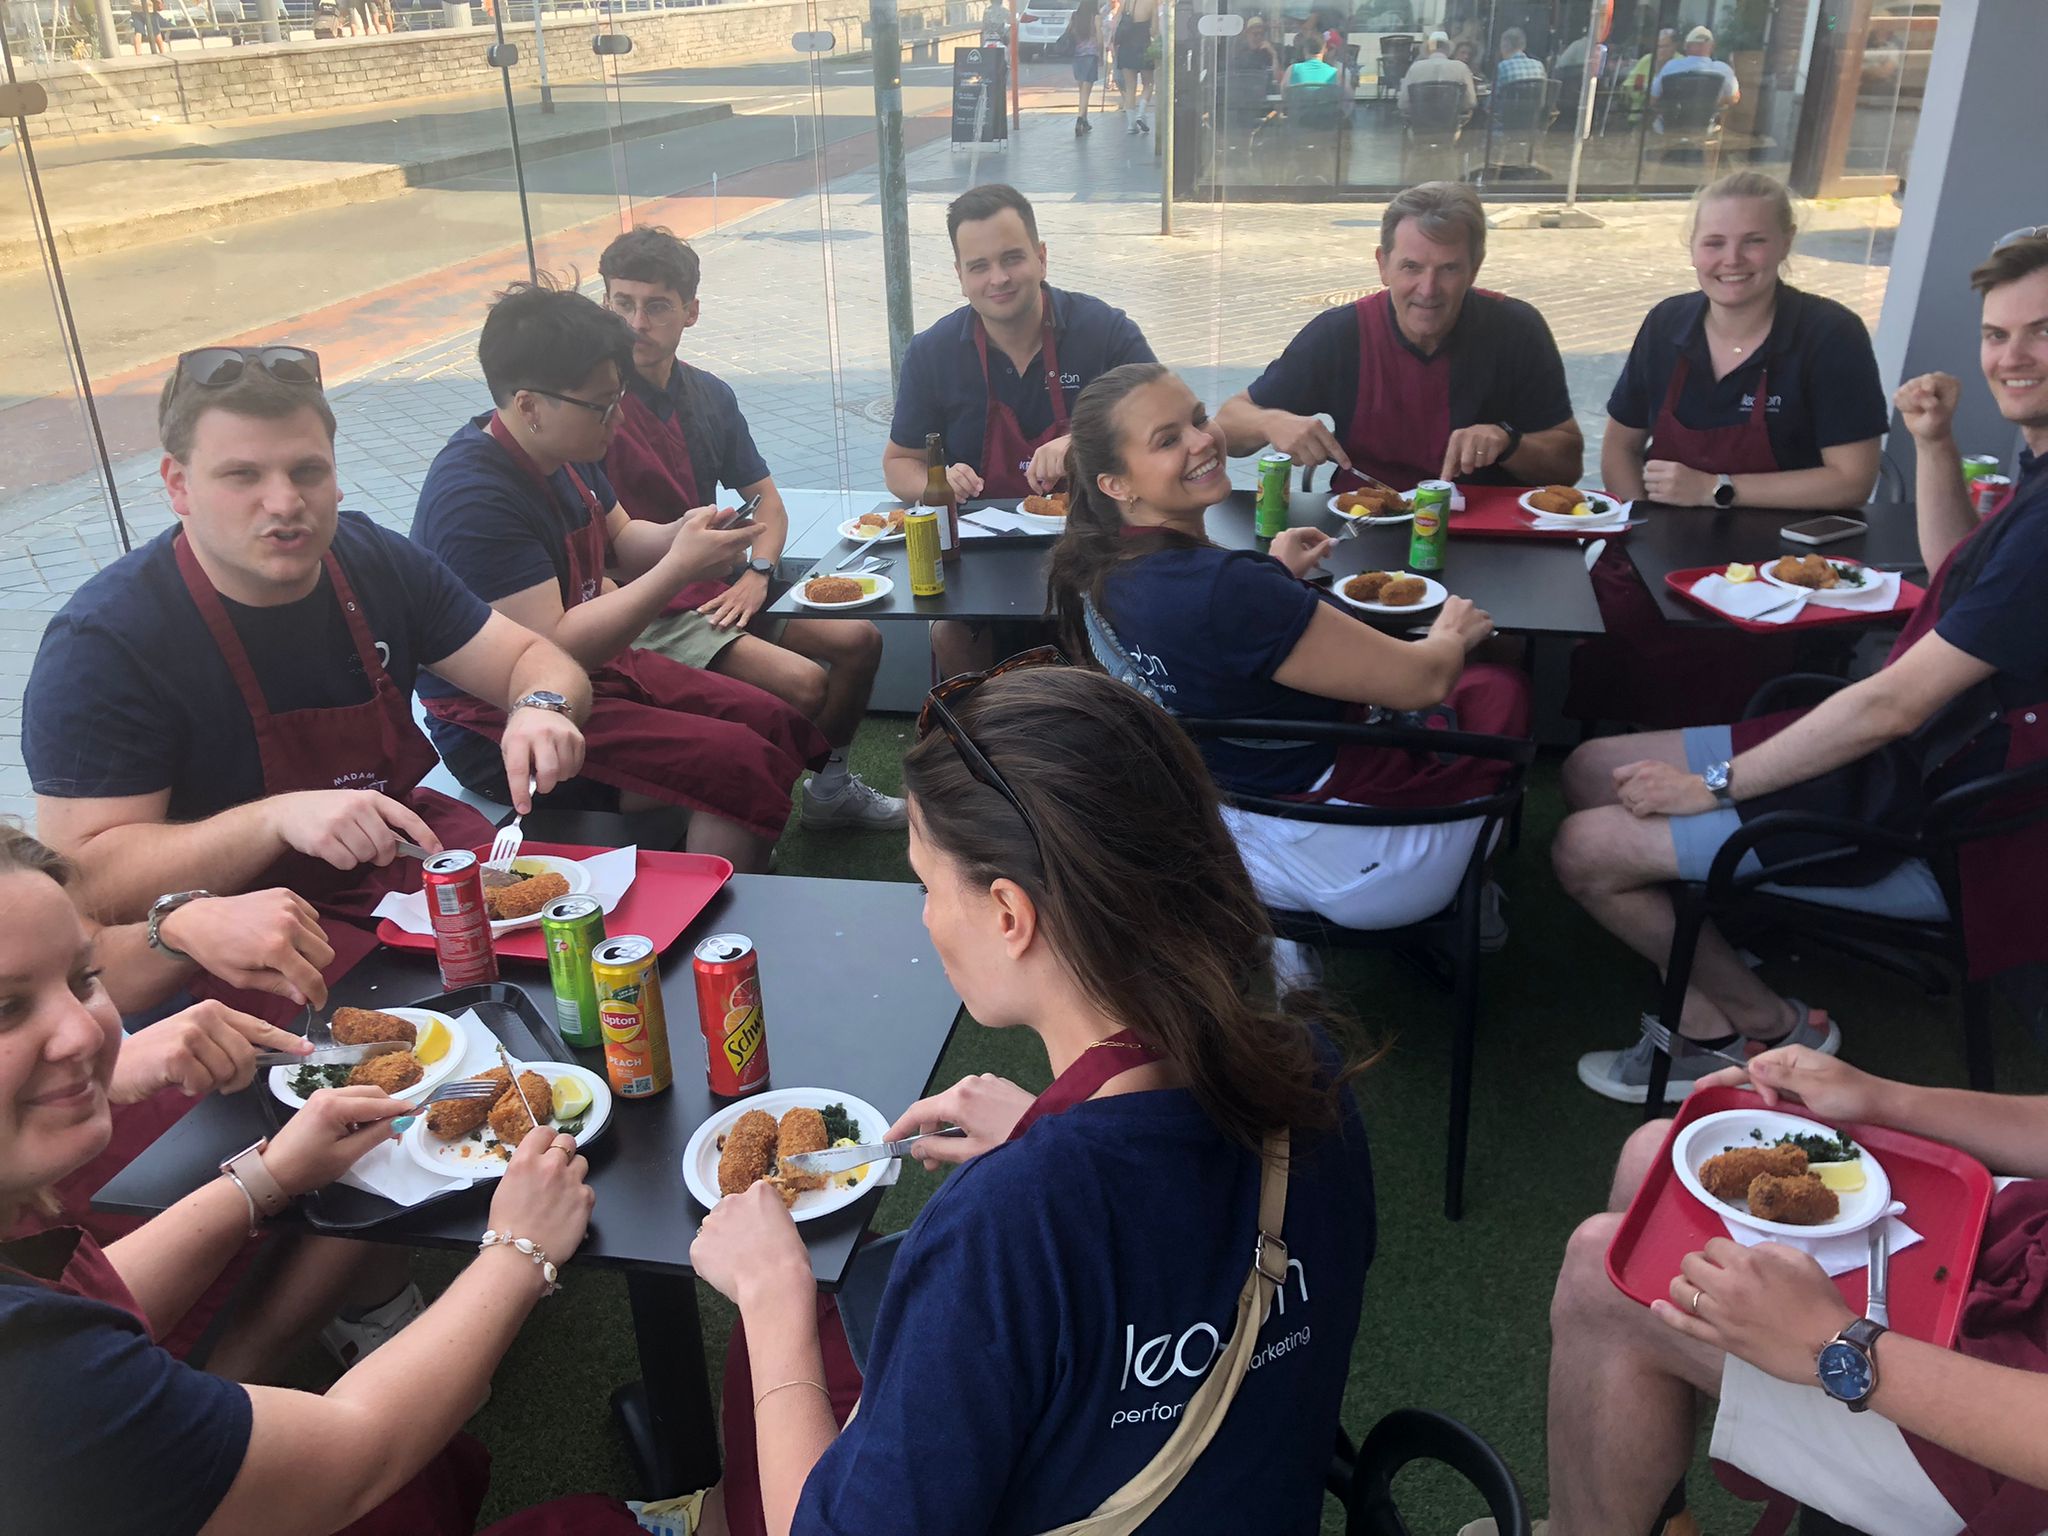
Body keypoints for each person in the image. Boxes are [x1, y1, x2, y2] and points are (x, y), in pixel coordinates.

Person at [690, 663, 1375, 1536]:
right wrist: (1059, 1131)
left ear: (1009, 914)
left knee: (786, 1350)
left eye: (928, 887)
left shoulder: (1004, 1227)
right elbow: (1192, 1245)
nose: (926, 916)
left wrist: (772, 1297)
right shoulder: (1314, 1076)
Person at [1551, 233, 2048, 1103]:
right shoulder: (2037, 469)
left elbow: (1891, 707)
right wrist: (1934, 443)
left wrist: (1712, 786)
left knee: (1583, 849)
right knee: (1591, 765)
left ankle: (1760, 1024)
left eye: (2040, 334)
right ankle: (1707, 961)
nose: (2011, 358)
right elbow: (1959, 574)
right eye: (1996, 335)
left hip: (1937, 809)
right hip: (1905, 755)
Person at [0, 825, 600, 1536]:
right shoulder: (36, 1383)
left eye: (82, 980)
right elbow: (354, 1460)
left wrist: (271, 1174)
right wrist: (519, 1250)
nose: (83, 1031)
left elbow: (91, 1297)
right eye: (6, 1008)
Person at [24, 346, 589, 971]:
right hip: (234, 941)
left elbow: (532, 658)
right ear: (178, 485)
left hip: (401, 870)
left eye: (307, 471)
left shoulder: (373, 559)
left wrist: (541, 706)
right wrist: (274, 820)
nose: (285, 502)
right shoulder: (105, 643)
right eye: (243, 476)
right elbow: (87, 882)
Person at [1049, 363, 1526, 956]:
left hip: (1228, 823)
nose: (1202, 440)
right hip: (1348, 851)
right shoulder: (1228, 588)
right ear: (1116, 484)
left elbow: (1206, 636)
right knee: (1497, 686)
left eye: (1198, 418)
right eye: (1167, 440)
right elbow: (1423, 680)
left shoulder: (1098, 571)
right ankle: (1474, 890)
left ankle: (1287, 956)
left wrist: (1272, 575)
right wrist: (1451, 635)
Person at [1503, 1045, 2048, 1536]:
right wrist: (1878, 1099)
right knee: (1654, 1152)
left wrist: (1833, 1342)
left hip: (2007, 1447)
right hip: (2012, 1254)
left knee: (1599, 1278)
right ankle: (1653, 1515)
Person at [411, 281, 831, 875]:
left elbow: (627, 540)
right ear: (529, 406)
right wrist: (679, 568)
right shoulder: (474, 500)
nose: (618, 418)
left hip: (597, 672)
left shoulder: (561, 454)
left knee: (771, 719)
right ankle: (710, 910)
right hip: (508, 725)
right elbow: (551, 650)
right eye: (602, 406)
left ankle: (734, 868)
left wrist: (686, 532)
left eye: (619, 398)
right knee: (736, 760)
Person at [597, 226, 905, 833]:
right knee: (801, 683)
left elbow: (767, 502)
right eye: (622, 303)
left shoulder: (710, 394)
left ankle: (829, 790)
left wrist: (759, 574)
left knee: (859, 641)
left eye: (657, 306)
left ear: (691, 311)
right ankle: (749, 799)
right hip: (646, 605)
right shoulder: (592, 404)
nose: (636, 323)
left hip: (717, 587)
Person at [1568, 171, 1887, 729]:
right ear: (1693, 248)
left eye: (1753, 241)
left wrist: (1717, 489)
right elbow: (1620, 444)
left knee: (1739, 679)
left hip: (1781, 569)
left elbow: (1852, 478)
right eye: (1714, 242)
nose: (1732, 260)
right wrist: (1640, 528)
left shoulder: (1829, 335)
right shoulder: (1667, 323)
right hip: (1661, 552)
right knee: (1611, 628)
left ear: (1785, 243)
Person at [883, 184, 1156, 675]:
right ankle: (976, 726)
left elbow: (1165, 431)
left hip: (1094, 552)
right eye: (979, 266)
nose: (999, 278)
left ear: (1041, 258)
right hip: (980, 564)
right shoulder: (932, 352)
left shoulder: (1105, 333)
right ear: (960, 277)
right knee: (951, 636)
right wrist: (937, 482)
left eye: (1012, 258)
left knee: (1101, 636)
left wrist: (1084, 442)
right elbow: (899, 463)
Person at [1218, 180, 1582, 492]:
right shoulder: (1341, 334)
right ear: (1383, 265)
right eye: (1411, 267)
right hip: (1364, 523)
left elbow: (1567, 467)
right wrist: (1270, 422)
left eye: (1449, 269)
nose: (1428, 289)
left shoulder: (1516, 329)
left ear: (1474, 269)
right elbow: (1226, 427)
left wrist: (1508, 442)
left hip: (1486, 532)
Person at [1651, 24, 1739, 121]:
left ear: (1686, 46)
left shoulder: (1671, 67)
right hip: (1707, 127)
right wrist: (1714, 103)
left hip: (1671, 126)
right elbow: (1734, 99)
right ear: (1712, 47)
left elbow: (1652, 99)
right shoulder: (1723, 69)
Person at [1399, 28, 1477, 116]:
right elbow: (1471, 102)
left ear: (1428, 49)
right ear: (1448, 49)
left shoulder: (1415, 68)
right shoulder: (1461, 68)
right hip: (1451, 122)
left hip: (1420, 122)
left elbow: (1403, 104)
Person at [1113, 0, 1157, 133]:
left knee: (1130, 87)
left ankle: (1131, 124)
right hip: (1144, 48)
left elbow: (1115, 25)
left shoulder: (1125, 3)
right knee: (1148, 84)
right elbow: (1154, 30)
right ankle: (1141, 113)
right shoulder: (1151, 3)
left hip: (1126, 48)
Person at [1066, 0, 1108, 131]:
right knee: (1086, 91)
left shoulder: (1075, 16)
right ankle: (1080, 119)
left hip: (1077, 55)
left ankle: (1084, 119)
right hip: (1090, 55)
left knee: (1082, 90)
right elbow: (1100, 38)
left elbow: (1069, 32)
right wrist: (1101, 55)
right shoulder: (1095, 17)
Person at [1620, 27, 1677, 120]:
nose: (1661, 50)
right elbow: (1627, 86)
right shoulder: (1646, 60)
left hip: (1670, 118)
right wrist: (1644, 89)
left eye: (1666, 46)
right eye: (1659, 46)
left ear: (1674, 46)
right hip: (1639, 116)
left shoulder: (1681, 62)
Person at [1230, 12, 1281, 90]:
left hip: (1266, 91)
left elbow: (1278, 78)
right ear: (1247, 34)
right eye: (1255, 34)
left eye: (1261, 34)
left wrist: (1274, 55)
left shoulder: (1269, 52)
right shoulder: (1240, 53)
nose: (1259, 37)